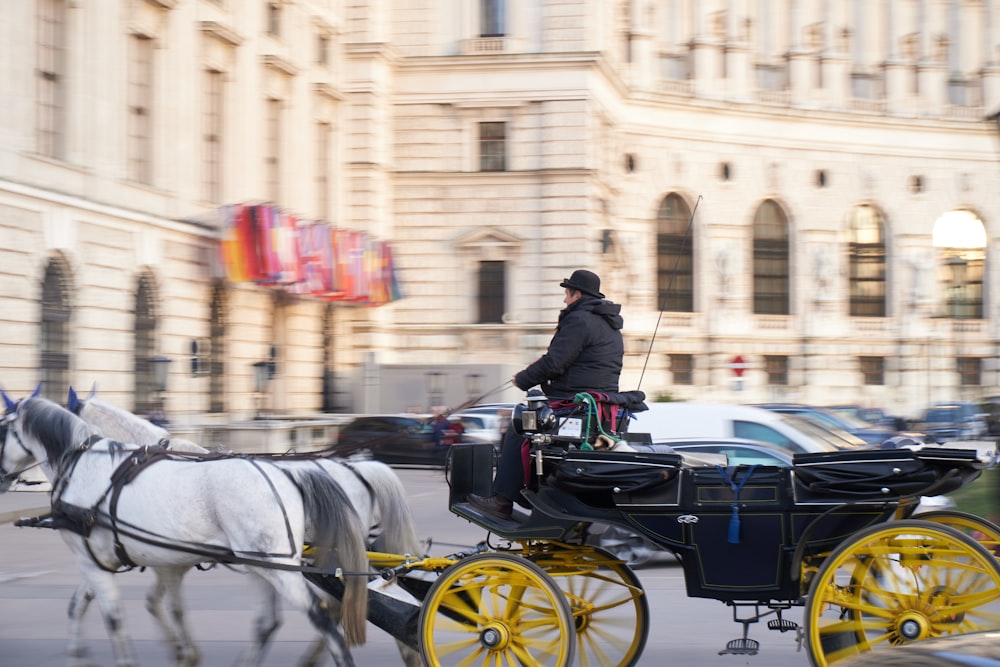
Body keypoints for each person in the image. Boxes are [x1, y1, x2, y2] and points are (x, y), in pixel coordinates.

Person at [468, 269, 625, 519]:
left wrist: (523, 378)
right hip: (598, 404)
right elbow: (570, 359)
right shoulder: (607, 324)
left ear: (577, 294)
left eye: (566, 293)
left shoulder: (580, 319)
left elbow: (555, 363)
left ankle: (502, 499)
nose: (564, 299)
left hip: (575, 402)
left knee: (520, 425)